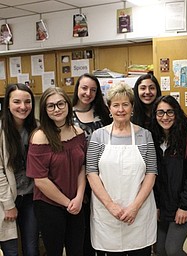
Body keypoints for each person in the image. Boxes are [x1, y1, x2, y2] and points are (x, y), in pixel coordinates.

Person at [86, 82, 157, 255]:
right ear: (109, 109)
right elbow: (91, 172)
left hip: (139, 212)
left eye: (125, 104)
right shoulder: (98, 136)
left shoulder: (144, 135)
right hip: (107, 212)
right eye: (116, 105)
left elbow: (151, 173)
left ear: (132, 107)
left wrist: (134, 207)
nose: (120, 109)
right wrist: (111, 206)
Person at [27, 87, 86, 256]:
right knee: (55, 251)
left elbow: (81, 167)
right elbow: (40, 180)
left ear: (68, 105)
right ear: (45, 110)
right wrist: (67, 203)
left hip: (76, 202)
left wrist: (79, 197)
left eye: (60, 104)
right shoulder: (40, 137)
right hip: (49, 205)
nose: (57, 109)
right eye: (51, 106)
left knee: (77, 250)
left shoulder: (78, 132)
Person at [150, 95, 187, 256]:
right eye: (160, 113)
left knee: (172, 250)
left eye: (169, 112)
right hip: (162, 205)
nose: (165, 117)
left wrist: (185, 206)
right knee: (159, 250)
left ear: (177, 113)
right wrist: (156, 206)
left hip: (182, 205)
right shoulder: (153, 137)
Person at [72, 73, 112, 256]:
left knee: (104, 223)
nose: (88, 93)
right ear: (77, 89)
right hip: (79, 178)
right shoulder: (67, 114)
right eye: (84, 88)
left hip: (106, 177)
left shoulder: (103, 114)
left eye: (93, 90)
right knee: (85, 228)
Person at [0, 84, 38, 256]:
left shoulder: (37, 128)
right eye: (16, 102)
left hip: (31, 197)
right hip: (6, 200)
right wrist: (8, 205)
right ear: (7, 104)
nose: (23, 107)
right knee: (11, 250)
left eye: (27, 102)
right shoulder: (1, 131)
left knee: (32, 248)